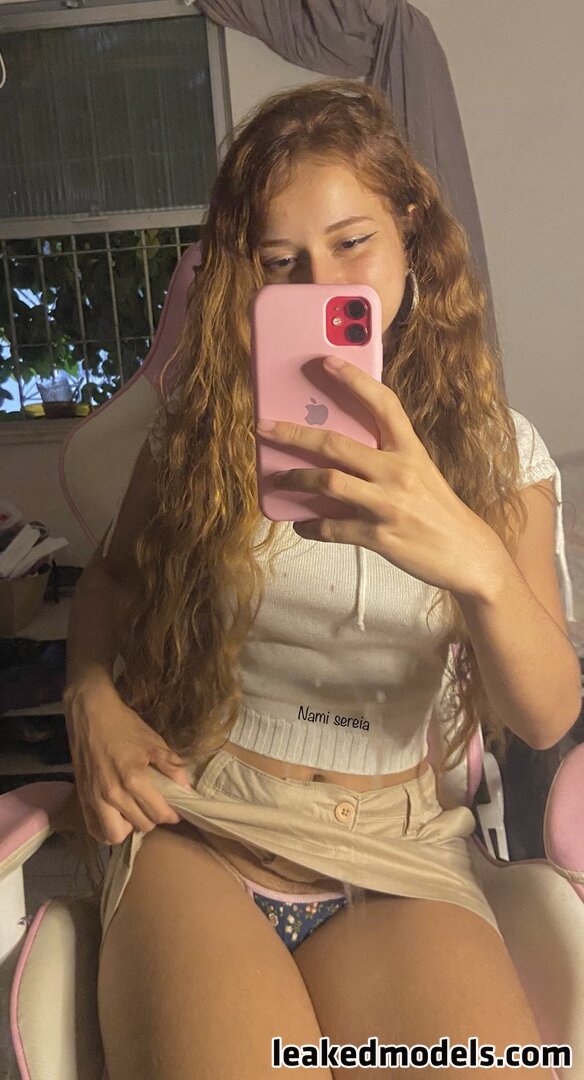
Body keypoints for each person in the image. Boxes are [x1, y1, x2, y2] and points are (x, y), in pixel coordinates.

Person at [63, 79, 578, 1079]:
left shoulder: (498, 455)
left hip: (399, 852)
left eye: (352, 243)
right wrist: (90, 697)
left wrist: (472, 557)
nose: (319, 284)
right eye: (279, 262)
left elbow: (546, 713)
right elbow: (113, 583)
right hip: (203, 821)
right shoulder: (198, 431)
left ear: (411, 233)